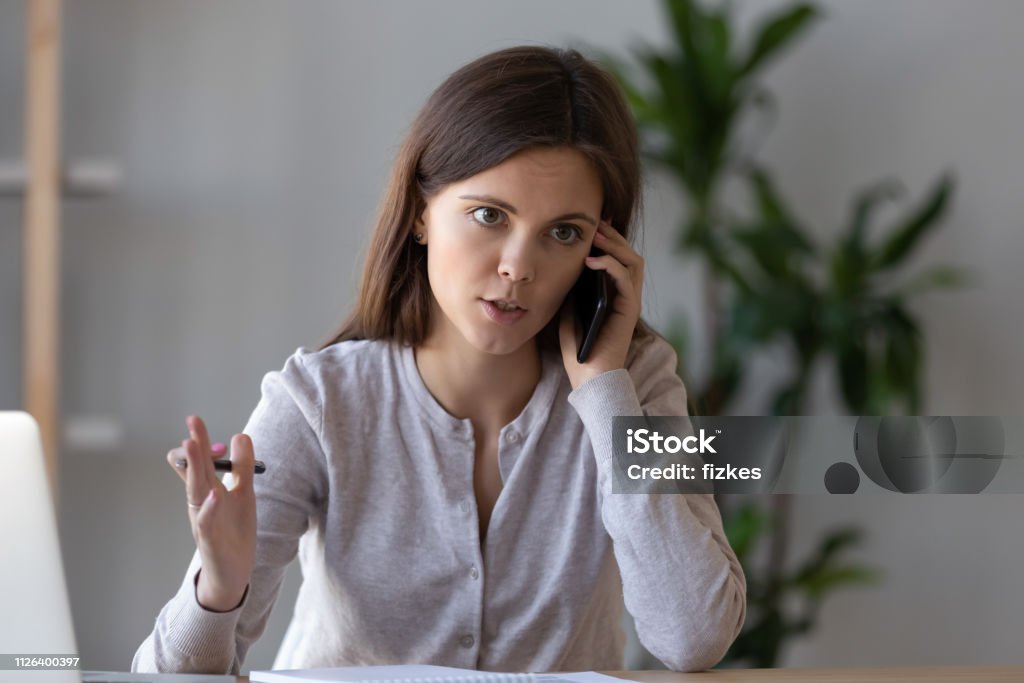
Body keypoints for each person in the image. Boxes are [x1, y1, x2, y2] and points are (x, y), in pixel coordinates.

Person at [132, 44, 746, 676]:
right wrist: (219, 589)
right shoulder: (317, 401)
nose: (517, 267)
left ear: (600, 245)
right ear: (422, 213)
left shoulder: (638, 382)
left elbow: (693, 637)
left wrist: (606, 393)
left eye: (562, 232)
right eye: (488, 216)